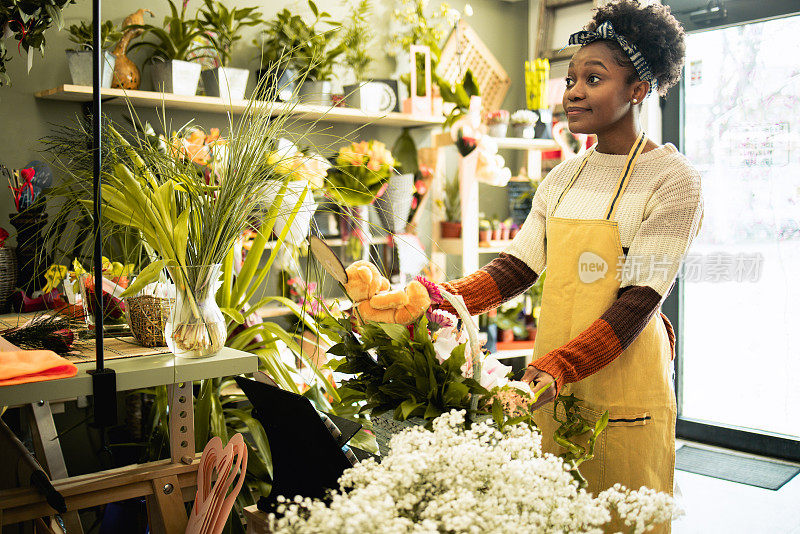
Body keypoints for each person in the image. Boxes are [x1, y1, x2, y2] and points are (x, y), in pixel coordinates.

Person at [424, 0, 699, 524]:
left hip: (622, 380)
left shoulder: (673, 179)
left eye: (593, 79)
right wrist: (435, 300)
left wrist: (557, 369)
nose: (572, 91)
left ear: (638, 89)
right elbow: (515, 269)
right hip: (550, 382)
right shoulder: (563, 178)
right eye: (570, 79)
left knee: (622, 518)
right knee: (558, 516)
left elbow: (638, 302)